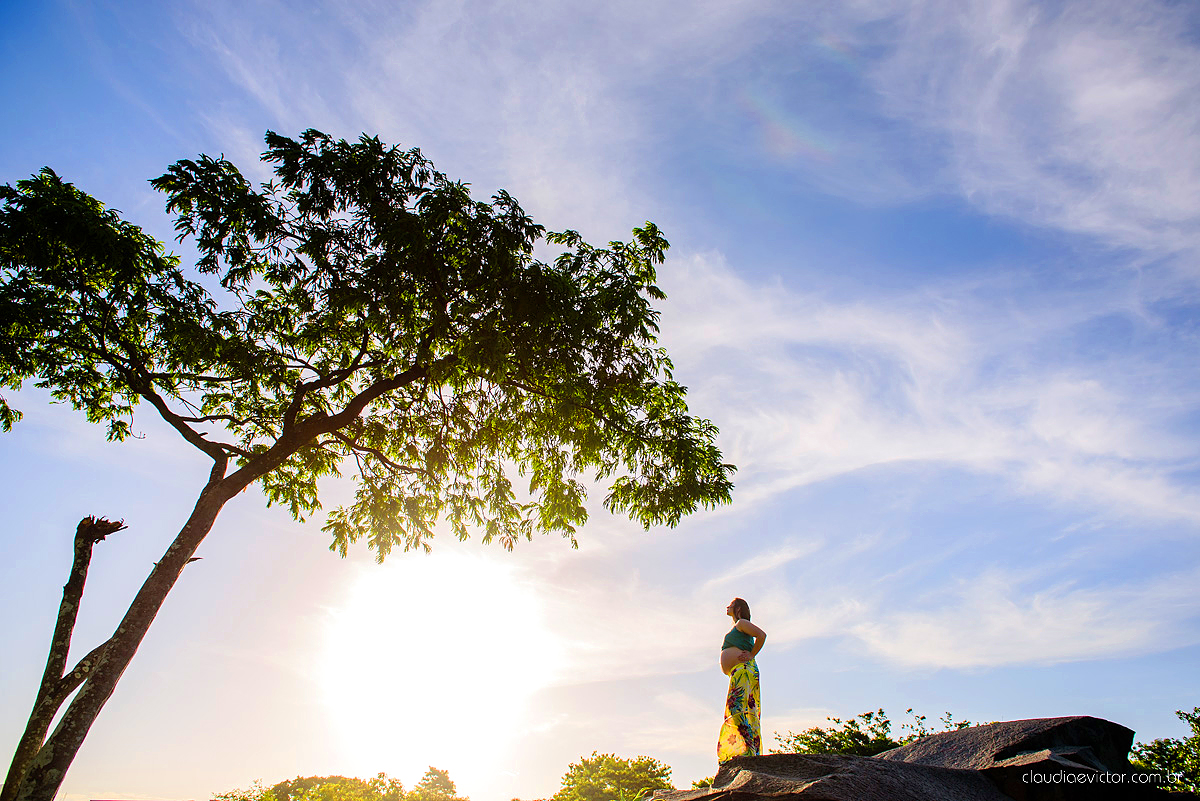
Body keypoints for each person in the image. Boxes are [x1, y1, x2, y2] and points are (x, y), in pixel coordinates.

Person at [718, 597, 766, 763]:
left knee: (738, 708)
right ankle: (746, 749)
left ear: (738, 608)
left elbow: (761, 635)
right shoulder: (737, 626)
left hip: (744, 670)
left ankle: (748, 750)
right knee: (740, 709)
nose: (727, 606)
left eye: (731, 604)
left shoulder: (742, 623)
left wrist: (752, 654)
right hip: (738, 672)